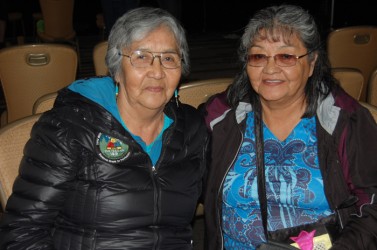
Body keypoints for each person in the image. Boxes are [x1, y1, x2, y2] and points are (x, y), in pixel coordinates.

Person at [0, 7, 209, 249]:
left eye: (169, 58)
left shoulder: (192, 130)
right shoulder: (70, 127)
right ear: (117, 68)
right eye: (141, 56)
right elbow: (23, 233)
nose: (157, 71)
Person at [202, 4, 377, 250]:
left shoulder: (346, 121)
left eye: (286, 56)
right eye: (258, 56)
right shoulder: (221, 118)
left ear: (312, 62)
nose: (270, 68)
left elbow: (371, 203)